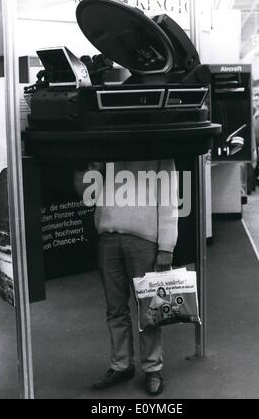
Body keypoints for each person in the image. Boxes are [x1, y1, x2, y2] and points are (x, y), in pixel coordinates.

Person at [74, 160, 178, 395]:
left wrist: (166, 247)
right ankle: (121, 365)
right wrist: (82, 166)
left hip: (144, 239)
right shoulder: (107, 144)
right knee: (115, 308)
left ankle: (153, 368)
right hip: (109, 236)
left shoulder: (159, 146)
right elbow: (87, 194)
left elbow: (169, 199)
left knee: (149, 308)